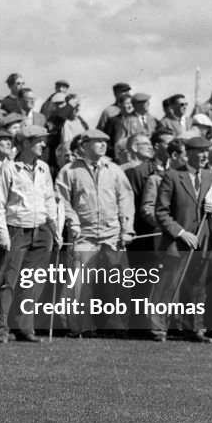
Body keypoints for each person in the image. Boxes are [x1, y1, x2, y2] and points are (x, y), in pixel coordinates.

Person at [55, 129, 134, 338]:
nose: (103, 145)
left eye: (105, 141)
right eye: (97, 141)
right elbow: (61, 200)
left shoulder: (114, 170)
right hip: (84, 235)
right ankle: (82, 326)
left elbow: (125, 200)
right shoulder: (69, 171)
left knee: (118, 282)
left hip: (112, 234)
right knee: (79, 283)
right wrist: (72, 222)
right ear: (84, 145)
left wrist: (127, 229)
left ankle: (117, 326)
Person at [0, 125, 57, 343]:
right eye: (38, 141)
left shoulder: (44, 168)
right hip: (16, 229)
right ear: (25, 143)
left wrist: (54, 228)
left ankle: (25, 327)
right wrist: (3, 234)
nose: (43, 145)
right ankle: (1, 328)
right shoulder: (8, 169)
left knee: (33, 281)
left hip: (42, 229)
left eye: (44, 141)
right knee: (8, 281)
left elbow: (49, 199)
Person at [152, 135, 212, 342]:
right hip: (176, 242)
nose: (203, 157)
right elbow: (161, 212)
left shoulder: (210, 177)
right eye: (199, 153)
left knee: (197, 287)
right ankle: (158, 329)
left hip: (202, 241)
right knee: (168, 285)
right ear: (187, 154)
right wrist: (181, 233)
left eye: (206, 153)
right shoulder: (172, 176)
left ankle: (194, 328)